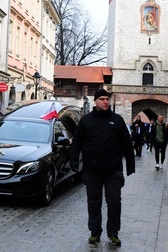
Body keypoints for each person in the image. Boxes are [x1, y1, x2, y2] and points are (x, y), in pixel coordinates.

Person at [70, 88, 135, 246]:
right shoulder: (86, 121)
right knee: (94, 202)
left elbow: (127, 143)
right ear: (96, 101)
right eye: (102, 99)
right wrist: (74, 162)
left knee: (114, 201)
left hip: (113, 170)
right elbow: (77, 142)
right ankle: (95, 231)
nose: (105, 102)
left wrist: (130, 165)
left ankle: (113, 232)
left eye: (107, 99)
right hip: (92, 170)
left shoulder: (117, 120)